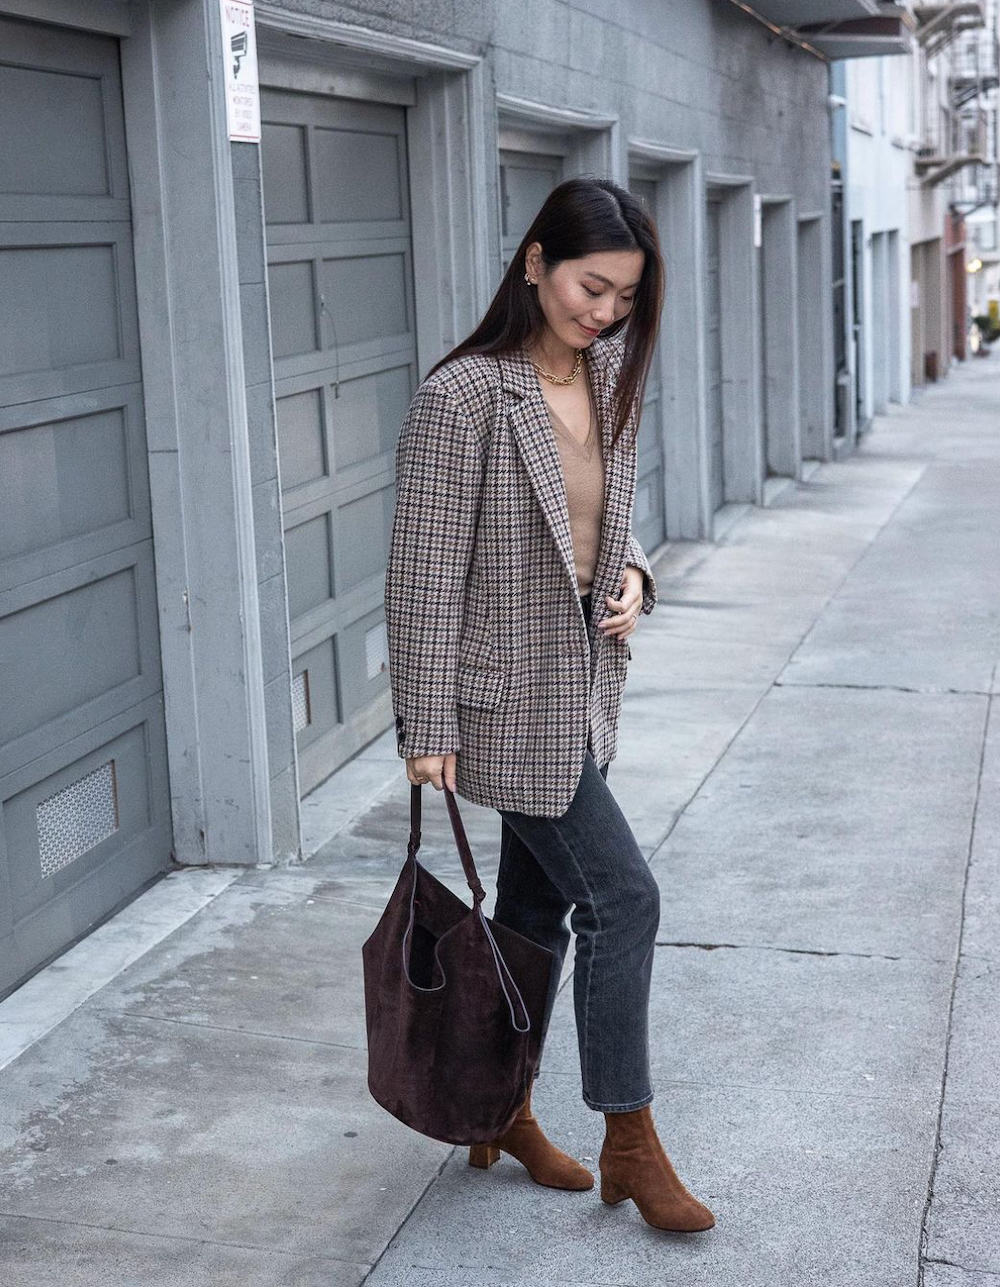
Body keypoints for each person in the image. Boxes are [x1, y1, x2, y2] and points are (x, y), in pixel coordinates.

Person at [383, 177, 714, 1233]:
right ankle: (630, 1137)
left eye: (622, 296)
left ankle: (501, 1112)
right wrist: (425, 726)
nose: (604, 312)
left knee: (531, 914)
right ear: (534, 262)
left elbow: (605, 522)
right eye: (590, 286)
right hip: (500, 707)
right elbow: (423, 572)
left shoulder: (609, 372)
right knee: (625, 899)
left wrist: (635, 579)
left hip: (582, 693)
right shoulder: (466, 396)